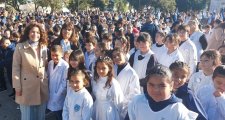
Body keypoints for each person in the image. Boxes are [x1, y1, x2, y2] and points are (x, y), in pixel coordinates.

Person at [127, 65, 198, 120]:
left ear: (171, 86)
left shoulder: (178, 110)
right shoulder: (137, 102)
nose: (156, 89)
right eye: (151, 85)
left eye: (162, 85)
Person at [12, 22, 48, 120]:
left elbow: (45, 65)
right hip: (26, 88)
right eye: (33, 32)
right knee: (27, 117)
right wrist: (17, 87)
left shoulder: (43, 46)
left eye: (38, 32)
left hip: (41, 86)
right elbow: (15, 68)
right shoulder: (20, 47)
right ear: (28, 33)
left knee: (40, 116)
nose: (35, 34)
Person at [92, 56, 124, 120]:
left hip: (108, 112)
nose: (100, 70)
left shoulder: (113, 83)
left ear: (109, 68)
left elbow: (119, 102)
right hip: (97, 108)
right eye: (98, 68)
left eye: (103, 68)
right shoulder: (95, 80)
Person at [112, 48, 141, 119]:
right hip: (111, 106)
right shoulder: (112, 69)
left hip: (124, 107)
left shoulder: (132, 73)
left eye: (118, 55)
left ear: (124, 54)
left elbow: (134, 94)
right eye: (114, 56)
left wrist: (123, 104)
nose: (116, 58)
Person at [47, 45, 69, 120]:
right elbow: (49, 77)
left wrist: (57, 95)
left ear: (62, 54)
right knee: (54, 113)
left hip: (59, 94)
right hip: (51, 91)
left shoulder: (65, 66)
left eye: (56, 55)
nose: (54, 57)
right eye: (52, 55)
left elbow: (64, 83)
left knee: (60, 113)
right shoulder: (50, 63)